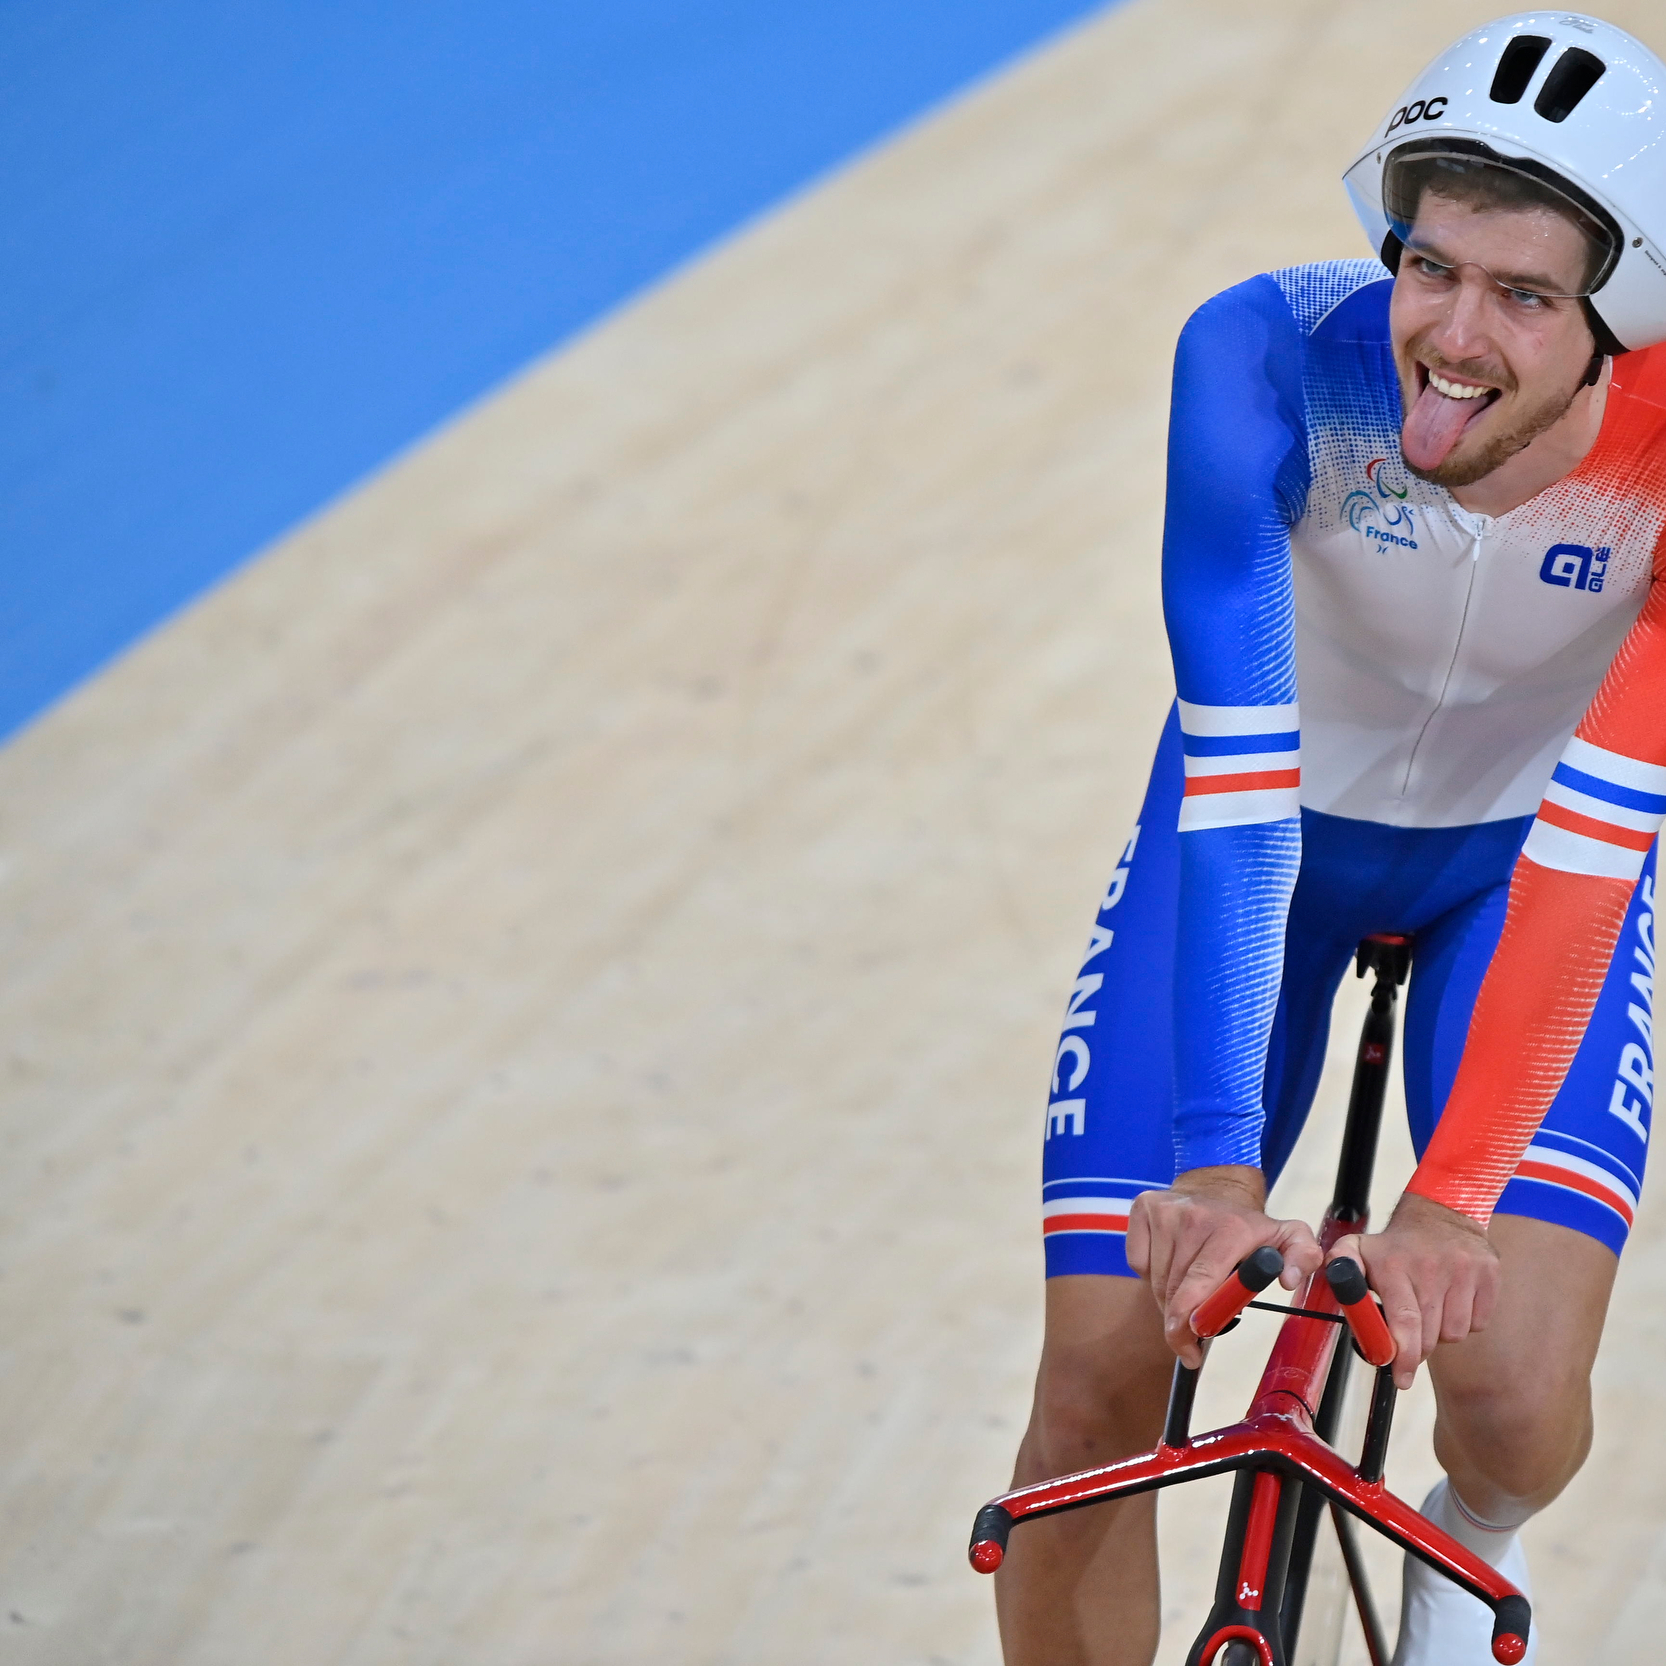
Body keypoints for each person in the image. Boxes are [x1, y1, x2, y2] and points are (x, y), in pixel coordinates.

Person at [994, 14, 1666, 1665]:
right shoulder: (1268, 352)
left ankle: (1464, 1561)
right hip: (1259, 846)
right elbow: (1233, 774)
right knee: (1095, 1388)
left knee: (1508, 1391)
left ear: (1617, 324)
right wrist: (1219, 1159)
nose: (1449, 333)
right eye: (1428, 267)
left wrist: (1446, 1201)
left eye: (1522, 296)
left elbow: (1596, 841)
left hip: (1517, 864)